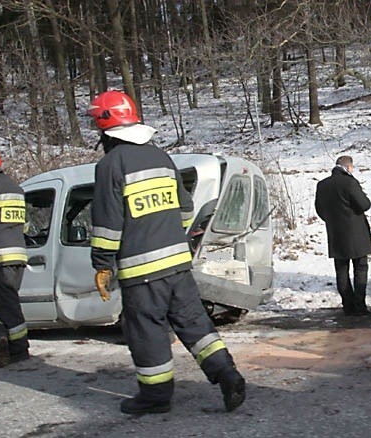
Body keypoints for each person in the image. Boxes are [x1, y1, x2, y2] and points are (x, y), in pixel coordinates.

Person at [87, 90, 245, 415]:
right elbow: (185, 209)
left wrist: (102, 265)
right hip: (178, 264)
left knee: (147, 331)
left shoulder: (110, 165)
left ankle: (156, 396)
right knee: (195, 323)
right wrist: (169, 234)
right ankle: (228, 375)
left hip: (141, 271)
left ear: (105, 127)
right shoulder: (161, 157)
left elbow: (107, 224)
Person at [315, 155, 371, 316]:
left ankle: (348, 305)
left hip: (335, 234)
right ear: (348, 167)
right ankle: (360, 305)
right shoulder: (350, 182)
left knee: (341, 270)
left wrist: (332, 221)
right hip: (356, 234)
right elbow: (364, 204)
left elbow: (319, 210)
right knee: (360, 268)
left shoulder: (322, 185)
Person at [0, 148, 29, 368]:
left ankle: (18, 349)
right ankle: (3, 339)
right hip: (18, 255)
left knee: (7, 307)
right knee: (6, 302)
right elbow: (23, 225)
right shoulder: (15, 188)